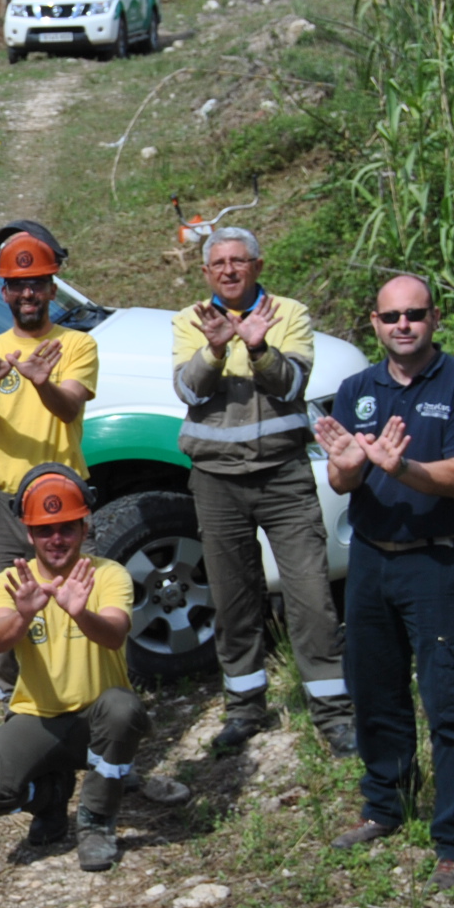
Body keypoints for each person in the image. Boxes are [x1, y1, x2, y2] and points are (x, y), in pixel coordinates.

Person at [313, 276, 454, 890]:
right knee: (375, 689)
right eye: (391, 316)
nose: (403, 325)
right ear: (374, 322)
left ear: (433, 319)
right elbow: (344, 481)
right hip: (370, 559)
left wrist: (402, 465)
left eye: (414, 314)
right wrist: (344, 471)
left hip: (436, 563)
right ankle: (385, 806)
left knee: (451, 699)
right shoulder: (357, 389)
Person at [171, 227, 356, 756]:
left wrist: (257, 346)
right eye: (219, 264)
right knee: (232, 601)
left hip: (283, 476)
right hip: (216, 480)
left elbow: (293, 385)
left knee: (312, 597)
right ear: (206, 273)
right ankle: (245, 708)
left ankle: (333, 713)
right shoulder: (191, 321)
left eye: (239, 261)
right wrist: (213, 349)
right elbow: (185, 389)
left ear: (257, 265)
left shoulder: (288, 313)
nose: (229, 270)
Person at [0, 466, 147, 872]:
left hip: (96, 718)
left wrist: (81, 613)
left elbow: (115, 634)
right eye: (45, 530)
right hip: (38, 718)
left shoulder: (109, 574)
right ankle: (51, 797)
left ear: (85, 528)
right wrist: (24, 616)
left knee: (123, 709)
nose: (56, 540)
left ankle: (96, 822)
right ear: (28, 534)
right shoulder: (11, 581)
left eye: (66, 528)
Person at [0, 223, 99, 701]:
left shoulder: (77, 345)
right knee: (6, 606)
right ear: (4, 292)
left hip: (61, 503)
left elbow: (68, 408)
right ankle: (12, 704)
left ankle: (74, 699)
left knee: (72, 603)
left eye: (37, 283)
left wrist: (42, 381)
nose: (28, 293)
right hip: (2, 501)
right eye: (19, 285)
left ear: (51, 289)